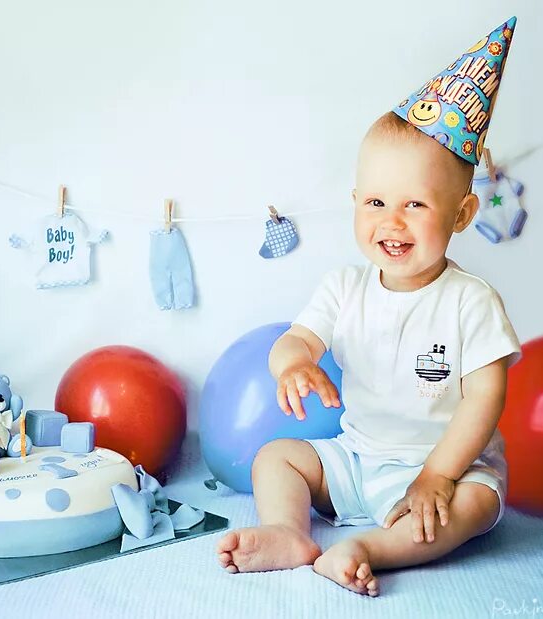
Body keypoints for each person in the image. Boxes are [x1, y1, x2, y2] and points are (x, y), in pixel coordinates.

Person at [216, 17, 522, 597]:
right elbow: (298, 338)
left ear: (461, 215)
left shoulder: (470, 301)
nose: (392, 221)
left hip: (444, 468)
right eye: (377, 201)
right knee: (276, 456)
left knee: (477, 505)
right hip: (357, 459)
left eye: (415, 204)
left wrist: (437, 475)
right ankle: (287, 532)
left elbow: (487, 397)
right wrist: (293, 364)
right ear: (355, 203)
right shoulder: (344, 287)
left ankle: (368, 549)